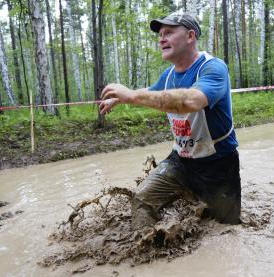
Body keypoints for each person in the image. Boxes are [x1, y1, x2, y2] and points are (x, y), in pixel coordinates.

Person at [99, 12, 241, 230]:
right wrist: (122, 97)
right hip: (181, 161)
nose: (161, 39)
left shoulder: (213, 68)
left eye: (169, 33)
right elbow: (152, 92)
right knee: (142, 200)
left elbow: (192, 101)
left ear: (190, 36)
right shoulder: (168, 75)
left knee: (226, 228)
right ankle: (148, 253)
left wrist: (132, 96)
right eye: (160, 34)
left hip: (219, 166)